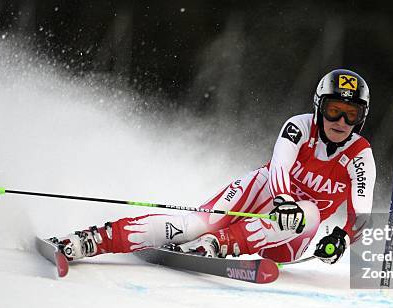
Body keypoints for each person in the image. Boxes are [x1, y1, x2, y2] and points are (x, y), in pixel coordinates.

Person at [57, 69, 376, 265]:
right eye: (334, 110)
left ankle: (217, 245)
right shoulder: (299, 127)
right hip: (263, 194)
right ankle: (92, 240)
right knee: (194, 225)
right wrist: (283, 200)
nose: (340, 121)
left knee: (309, 214)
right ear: (320, 108)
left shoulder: (360, 155)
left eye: (350, 114)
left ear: (360, 118)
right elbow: (279, 168)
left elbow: (361, 214)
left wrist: (343, 239)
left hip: (289, 237)